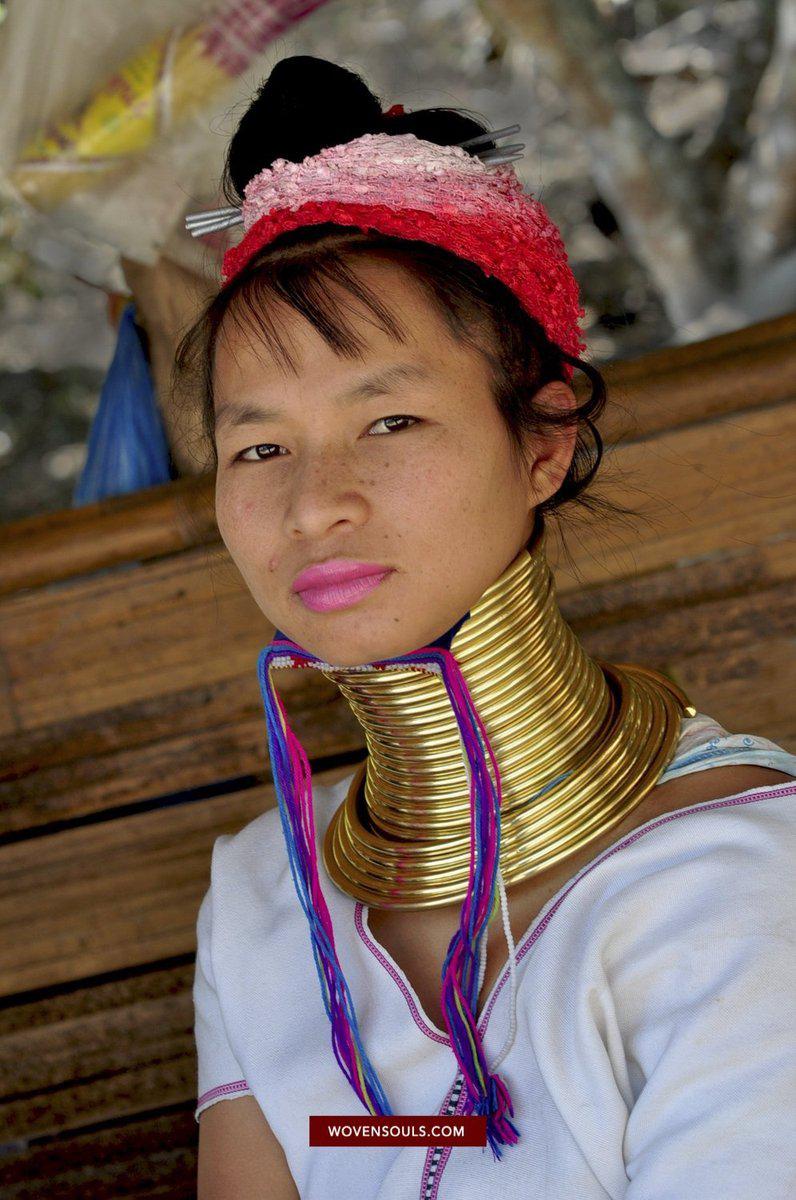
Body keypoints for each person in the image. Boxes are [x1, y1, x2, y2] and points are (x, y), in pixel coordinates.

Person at [174, 54, 796, 1200]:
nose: (312, 504)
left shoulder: (741, 884)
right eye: (258, 446)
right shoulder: (270, 895)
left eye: (391, 418)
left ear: (543, 443)